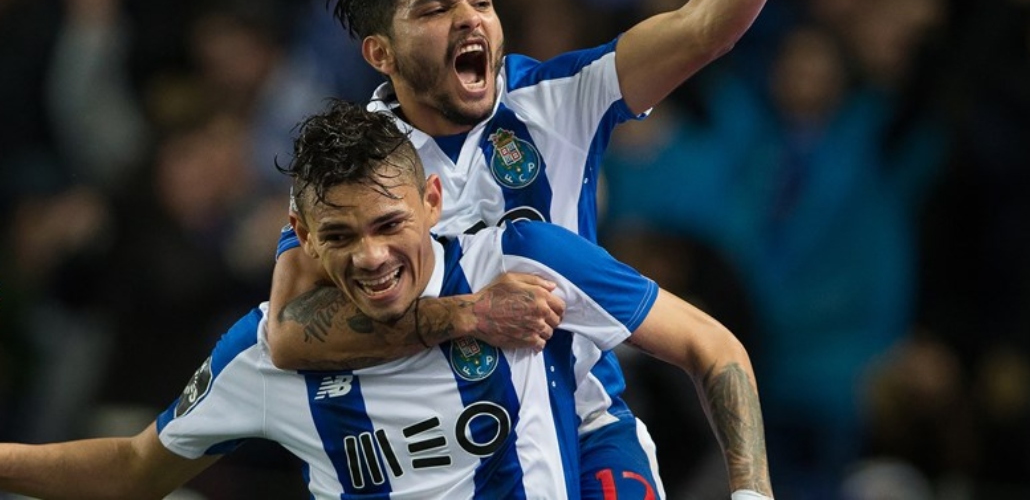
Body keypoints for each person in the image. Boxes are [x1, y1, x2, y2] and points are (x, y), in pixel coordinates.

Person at [266, 0, 810, 497]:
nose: (468, 18)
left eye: (479, 1)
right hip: (444, 446)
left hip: (586, 425)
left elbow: (706, 27)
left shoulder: (560, 98)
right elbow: (289, 333)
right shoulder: (347, 165)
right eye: (434, 9)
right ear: (381, 53)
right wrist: (467, 314)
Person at [0, 101, 773, 499]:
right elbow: (134, 467)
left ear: (433, 201)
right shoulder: (266, 352)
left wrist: (750, 489)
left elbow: (713, 346)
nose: (370, 256)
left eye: (388, 224)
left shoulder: (525, 260)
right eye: (340, 235)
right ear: (303, 235)